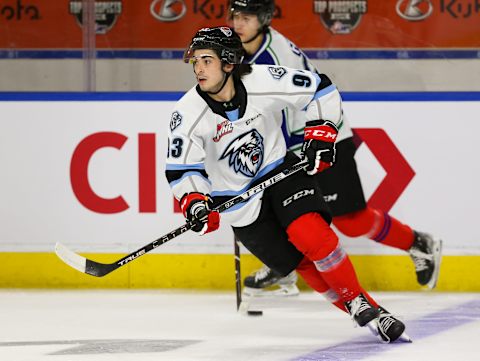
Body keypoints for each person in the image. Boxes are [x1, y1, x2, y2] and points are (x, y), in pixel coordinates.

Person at [165, 26, 408, 343]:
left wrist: (322, 130)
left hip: (280, 172)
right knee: (304, 263)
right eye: (195, 61)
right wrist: (195, 200)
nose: (198, 68)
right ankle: (365, 311)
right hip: (239, 204)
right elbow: (182, 169)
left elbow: (319, 88)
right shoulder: (186, 113)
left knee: (313, 236)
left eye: (206, 60)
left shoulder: (262, 80)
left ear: (229, 62)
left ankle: (362, 303)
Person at [228, 0, 442, 297]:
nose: (238, 23)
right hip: (296, 143)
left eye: (247, 17)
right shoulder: (239, 49)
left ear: (263, 19)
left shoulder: (276, 58)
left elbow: (293, 115)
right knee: (279, 209)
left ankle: (417, 242)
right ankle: (284, 268)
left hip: (323, 139)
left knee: (351, 222)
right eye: (235, 16)